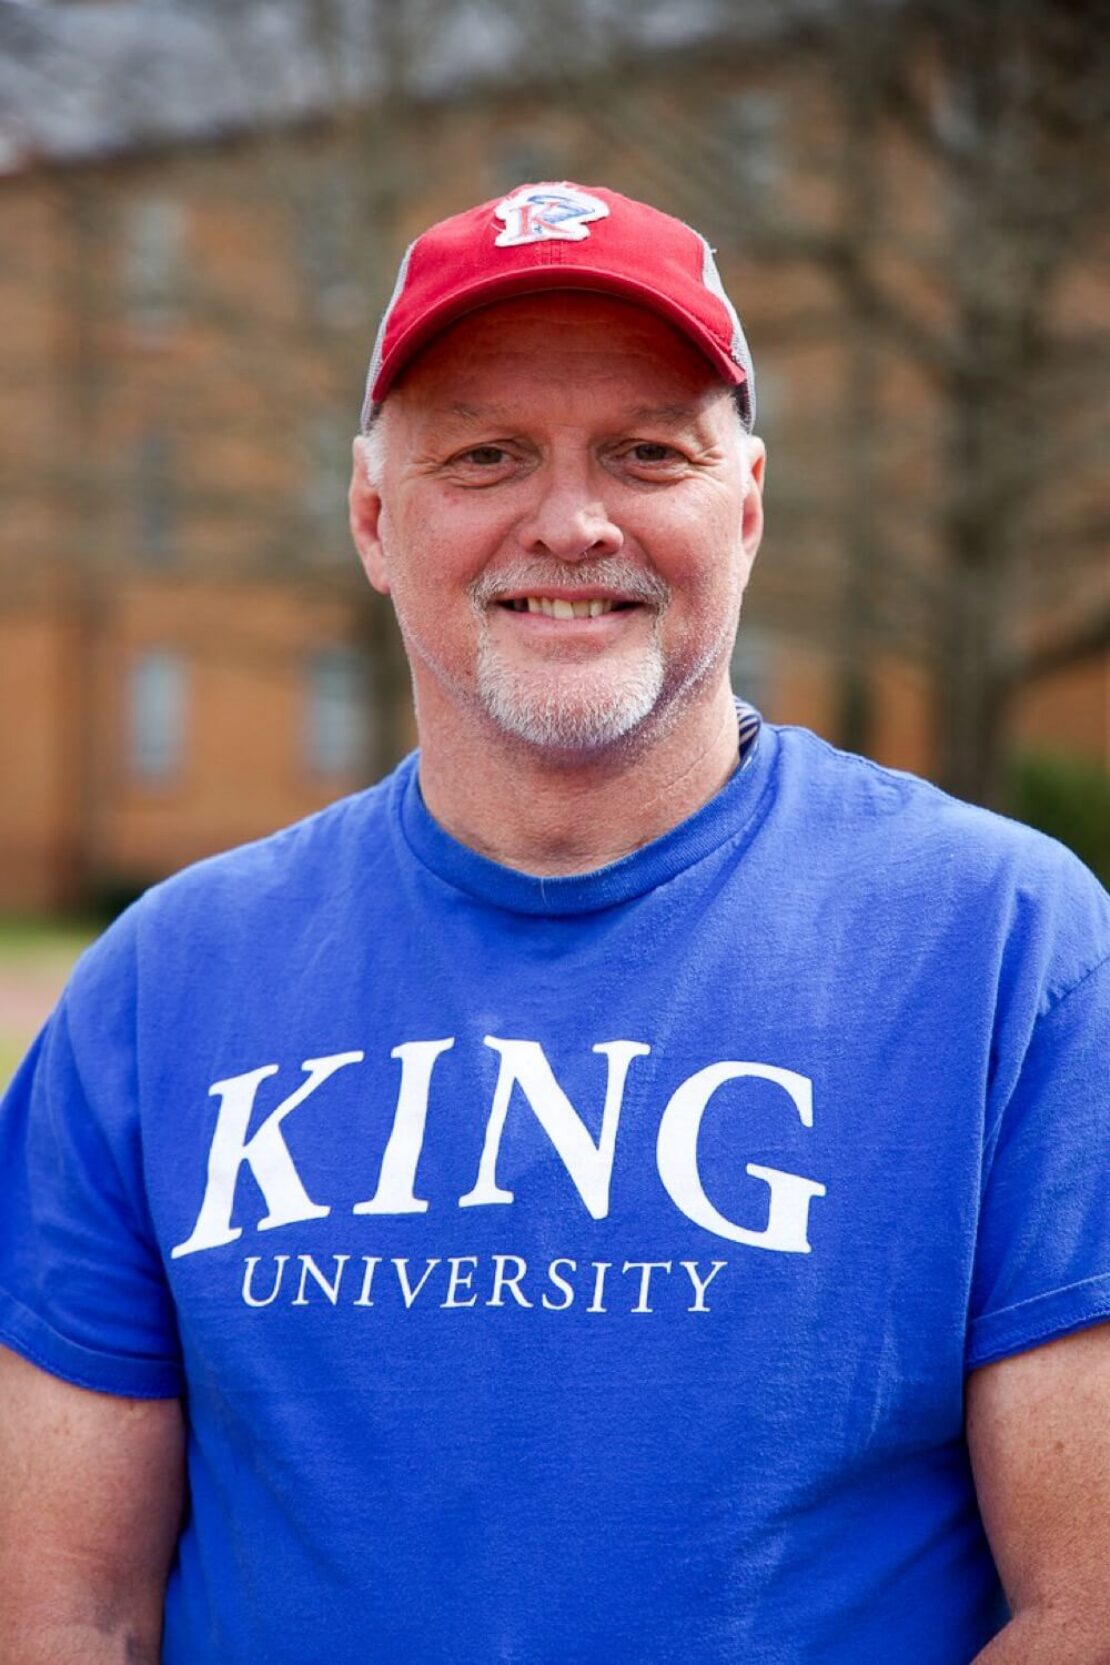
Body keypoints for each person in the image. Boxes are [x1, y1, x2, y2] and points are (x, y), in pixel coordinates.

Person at [0, 181, 1107, 1665]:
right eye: (487, 452)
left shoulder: (1007, 951)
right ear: (376, 517)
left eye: (648, 452)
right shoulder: (161, 984)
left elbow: (1083, 1607)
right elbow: (62, 1609)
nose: (573, 520)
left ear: (750, 505)